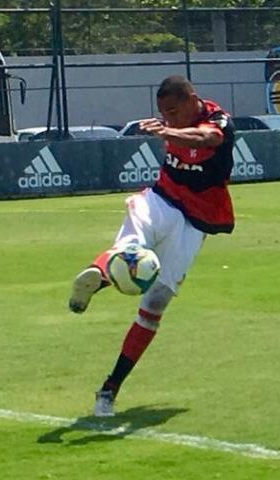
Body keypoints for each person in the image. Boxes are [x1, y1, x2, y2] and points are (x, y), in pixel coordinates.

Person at [68, 75, 235, 417]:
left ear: (192, 99)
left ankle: (110, 388)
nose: (169, 119)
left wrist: (167, 132)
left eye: (174, 111)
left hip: (194, 220)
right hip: (163, 198)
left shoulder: (217, 119)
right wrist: (169, 129)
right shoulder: (174, 122)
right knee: (133, 230)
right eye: (164, 114)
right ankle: (95, 278)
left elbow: (209, 137)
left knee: (155, 302)